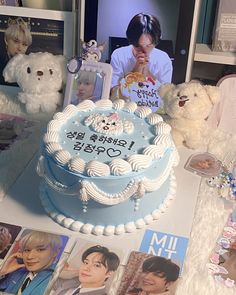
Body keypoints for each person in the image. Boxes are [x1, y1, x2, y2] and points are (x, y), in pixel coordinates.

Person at [110, 13, 173, 93]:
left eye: (148, 46)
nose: (143, 51)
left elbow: (166, 95)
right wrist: (135, 71)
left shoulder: (163, 59)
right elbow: (113, 91)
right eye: (137, 46)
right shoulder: (119, 55)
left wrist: (147, 73)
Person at [0, 230, 62, 295]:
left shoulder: (58, 279)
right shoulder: (17, 272)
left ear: (56, 252)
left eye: (40, 249)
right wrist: (2, 272)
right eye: (27, 250)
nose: (30, 256)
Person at [51, 245, 120, 295]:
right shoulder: (74, 281)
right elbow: (47, 278)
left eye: (96, 265)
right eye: (86, 262)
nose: (86, 268)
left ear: (109, 273)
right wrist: (58, 267)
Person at [0, 17, 32, 85]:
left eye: (24, 44)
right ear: (6, 40)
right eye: (16, 41)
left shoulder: (29, 66)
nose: (20, 48)